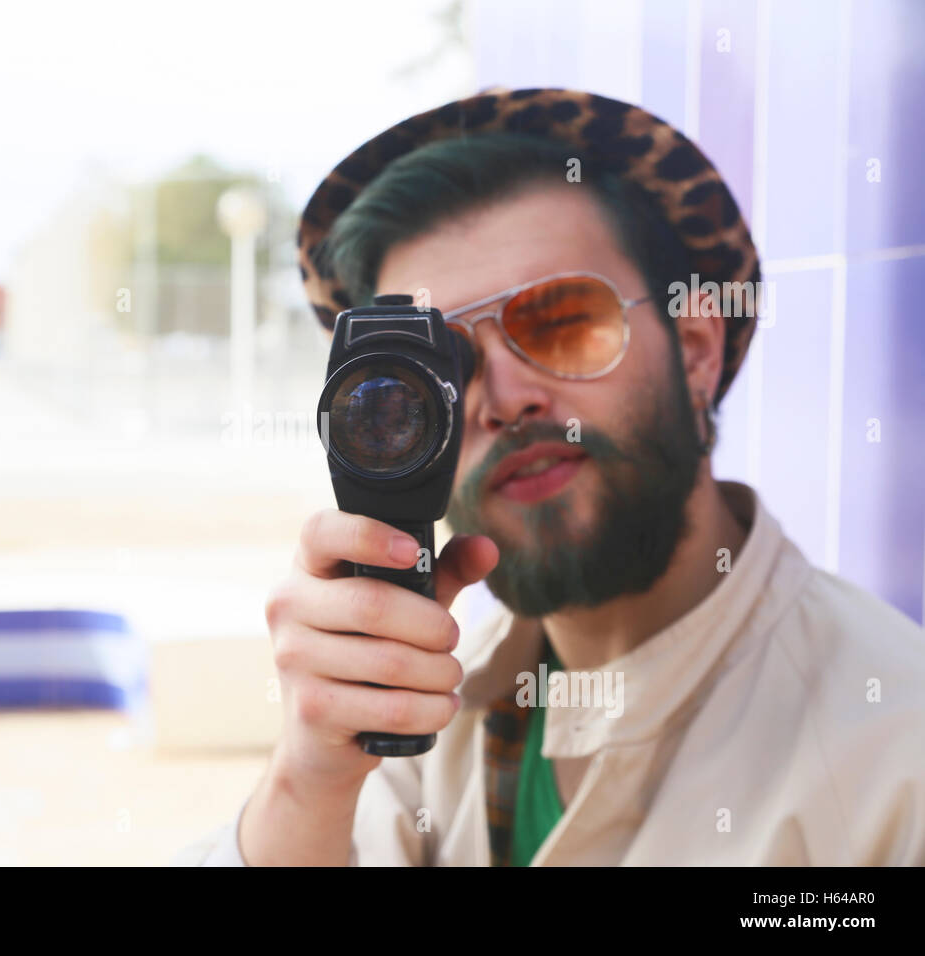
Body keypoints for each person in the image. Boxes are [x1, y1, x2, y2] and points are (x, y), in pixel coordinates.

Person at [174, 87, 925, 866]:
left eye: (564, 321)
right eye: (445, 365)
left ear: (696, 348)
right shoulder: (423, 713)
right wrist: (307, 781)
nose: (504, 398)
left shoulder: (896, 762)